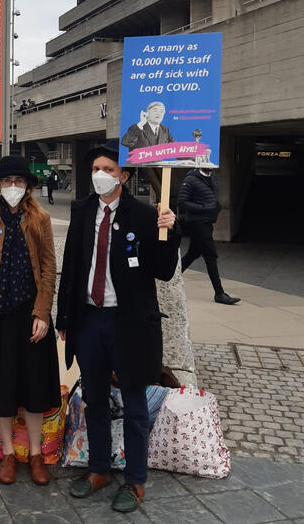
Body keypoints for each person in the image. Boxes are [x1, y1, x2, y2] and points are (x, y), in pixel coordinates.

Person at [56, 139, 180, 513]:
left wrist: (169, 230)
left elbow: (163, 270)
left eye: (108, 170)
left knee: (134, 404)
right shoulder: (81, 211)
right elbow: (72, 267)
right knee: (94, 398)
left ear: (123, 176)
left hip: (128, 325)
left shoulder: (143, 216)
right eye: (96, 169)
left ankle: (135, 481)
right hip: (89, 321)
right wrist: (64, 318)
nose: (100, 176)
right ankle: (99, 470)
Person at [0, 155, 61, 486]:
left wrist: (42, 312)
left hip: (30, 313)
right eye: (7, 181)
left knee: (35, 386)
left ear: (28, 186)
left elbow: (49, 267)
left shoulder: (40, 217)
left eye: (20, 182)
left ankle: (37, 453)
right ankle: (9, 452)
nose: (13, 187)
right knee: (3, 385)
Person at [178, 167, 240, 305]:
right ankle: (219, 293)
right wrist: (203, 208)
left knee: (193, 254)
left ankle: (169, 278)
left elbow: (211, 198)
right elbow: (182, 202)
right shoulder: (190, 179)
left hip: (207, 222)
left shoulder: (211, 177)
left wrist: (215, 207)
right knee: (211, 256)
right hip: (196, 223)